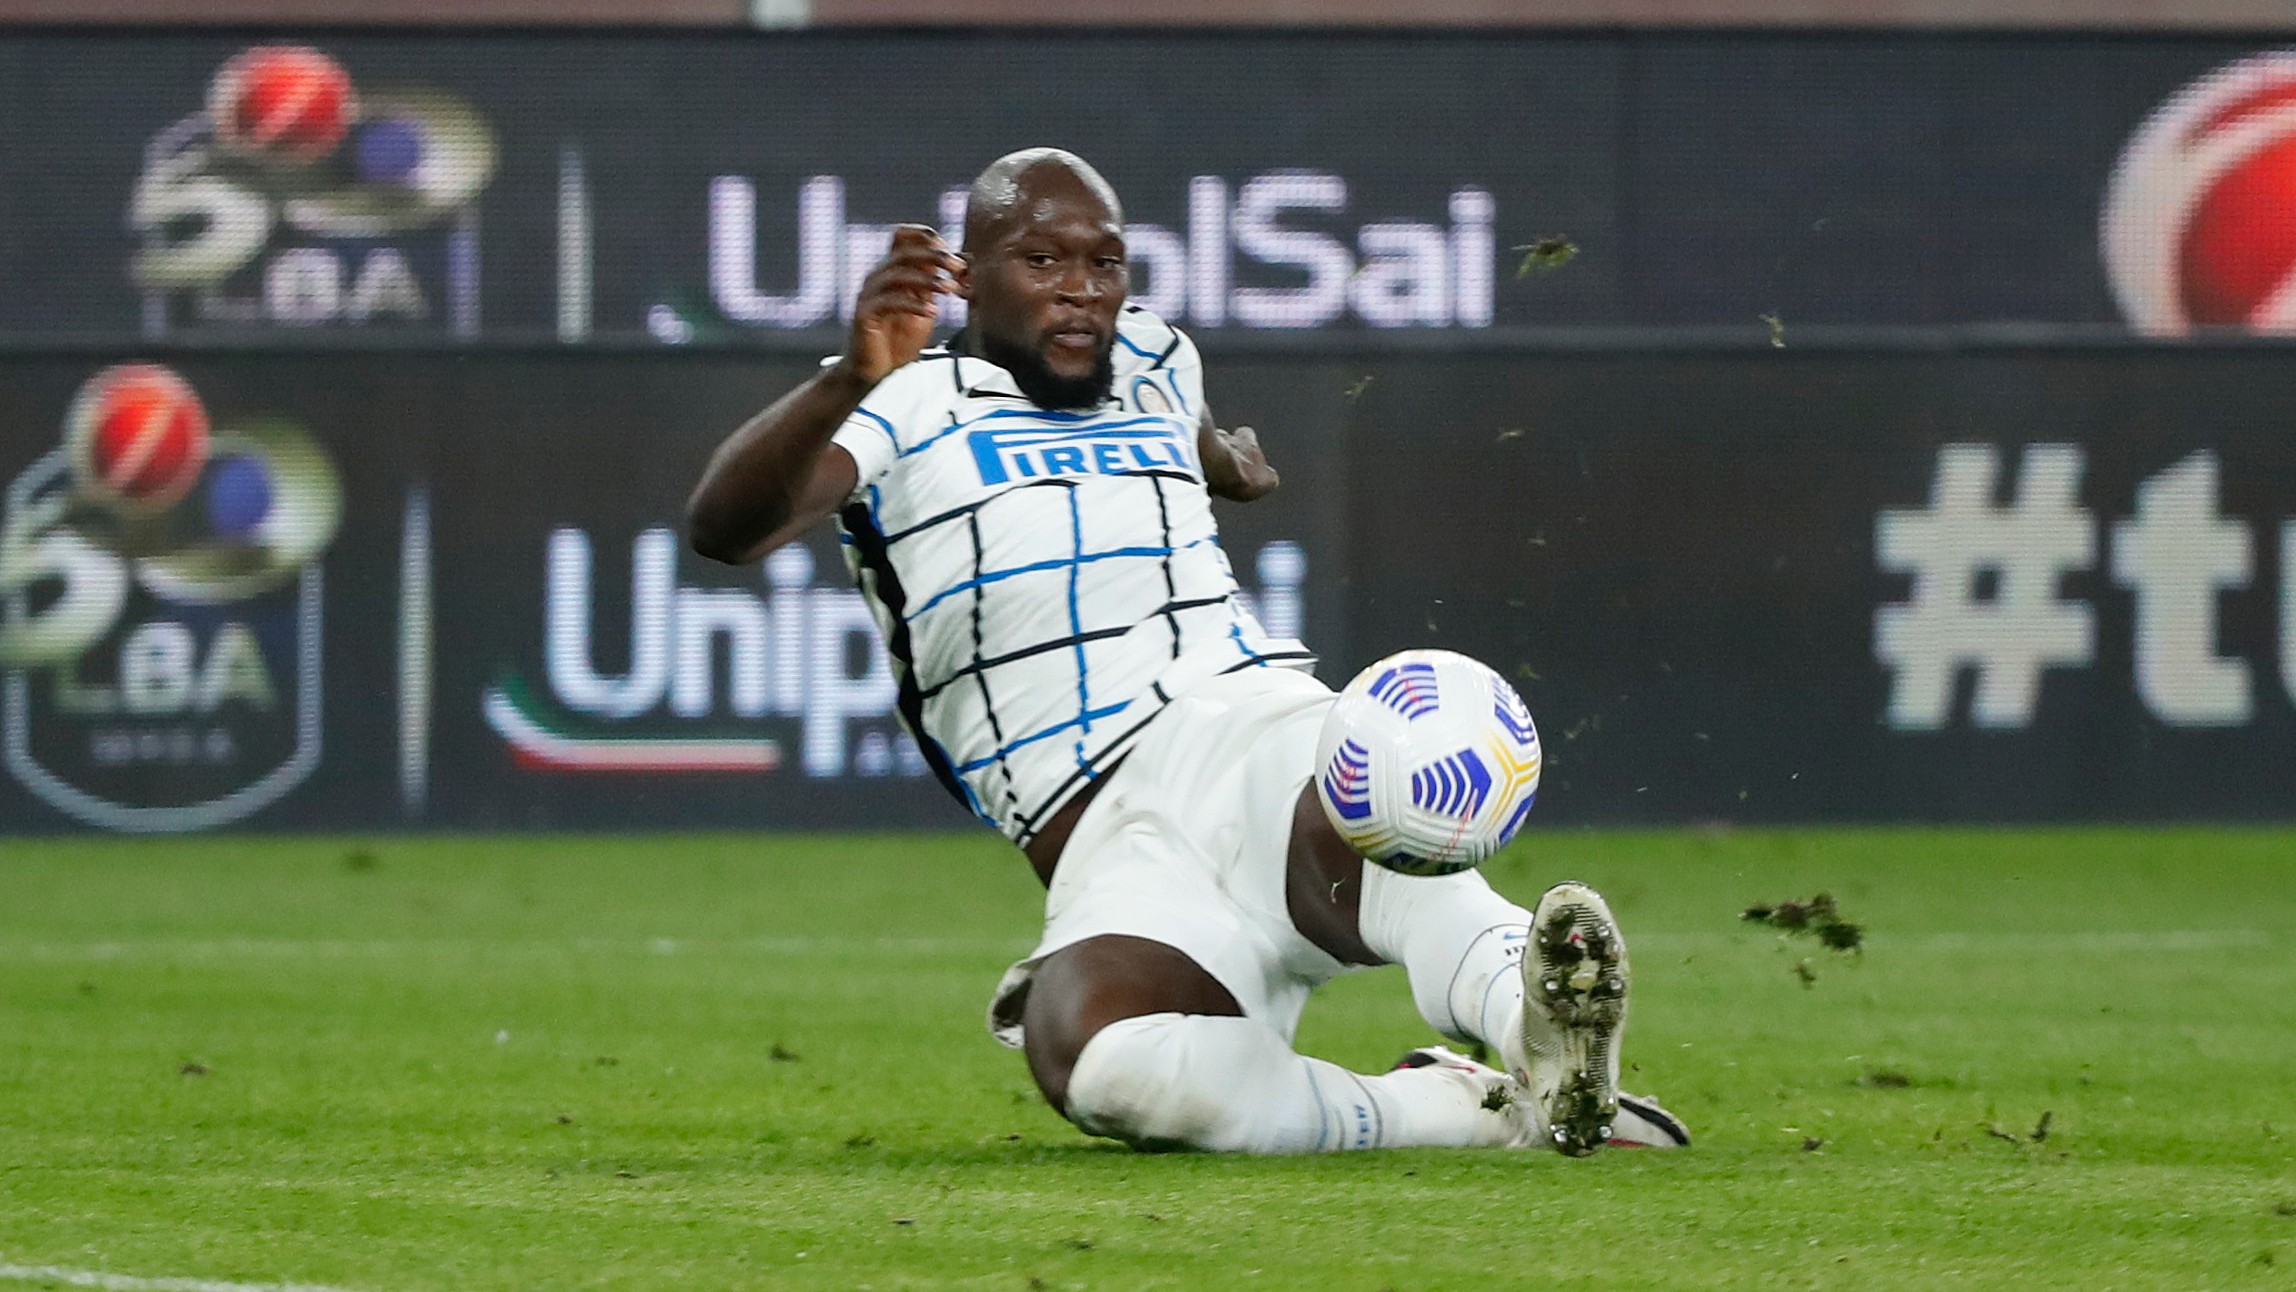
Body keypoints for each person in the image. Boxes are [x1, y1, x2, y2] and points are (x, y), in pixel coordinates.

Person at [687, 147, 1688, 1155]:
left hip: (1236, 718)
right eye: (1042, 262)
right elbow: (726, 526)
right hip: (1103, 836)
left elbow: (1195, 435)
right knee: (1092, 1057)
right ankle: (1464, 1110)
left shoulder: (1157, 360)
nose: (1081, 291)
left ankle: (1531, 1009)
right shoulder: (896, 397)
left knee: (1381, 760)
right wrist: (854, 375)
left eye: (1105, 264)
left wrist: (1227, 462)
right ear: (967, 273)